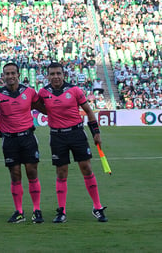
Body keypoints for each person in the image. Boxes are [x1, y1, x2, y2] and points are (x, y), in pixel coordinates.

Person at [38, 62, 108, 223]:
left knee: (86, 168)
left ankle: (97, 207)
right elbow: (36, 105)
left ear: (64, 75)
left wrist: (96, 133)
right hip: (57, 136)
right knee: (61, 172)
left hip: (77, 134)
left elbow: (89, 112)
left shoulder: (74, 90)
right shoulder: (43, 93)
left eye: (58, 73)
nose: (55, 76)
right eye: (52, 74)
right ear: (47, 76)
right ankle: (61, 211)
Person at [0, 62, 45, 224]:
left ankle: (36, 210)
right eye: (7, 73)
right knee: (15, 175)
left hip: (27, 137)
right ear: (3, 76)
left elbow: (44, 108)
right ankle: (19, 212)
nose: (10, 76)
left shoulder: (29, 92)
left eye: (13, 73)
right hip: (9, 140)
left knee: (32, 173)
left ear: (18, 74)